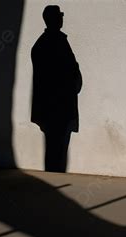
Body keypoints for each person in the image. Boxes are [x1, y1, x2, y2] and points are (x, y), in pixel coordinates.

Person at [31, 5, 82, 172]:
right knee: (57, 147)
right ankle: (54, 177)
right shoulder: (54, 42)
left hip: (52, 107)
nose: (62, 18)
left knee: (55, 147)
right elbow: (63, 71)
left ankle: (54, 176)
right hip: (57, 106)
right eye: (60, 15)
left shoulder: (44, 43)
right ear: (53, 19)